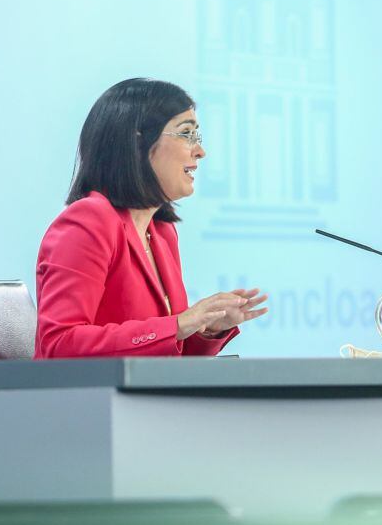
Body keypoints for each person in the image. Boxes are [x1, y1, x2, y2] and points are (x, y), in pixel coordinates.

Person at [34, 78, 268, 358]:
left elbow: (167, 355)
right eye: (186, 134)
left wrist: (207, 328)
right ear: (138, 141)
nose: (200, 151)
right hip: (91, 400)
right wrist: (179, 324)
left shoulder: (161, 231)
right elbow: (58, 345)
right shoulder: (88, 221)